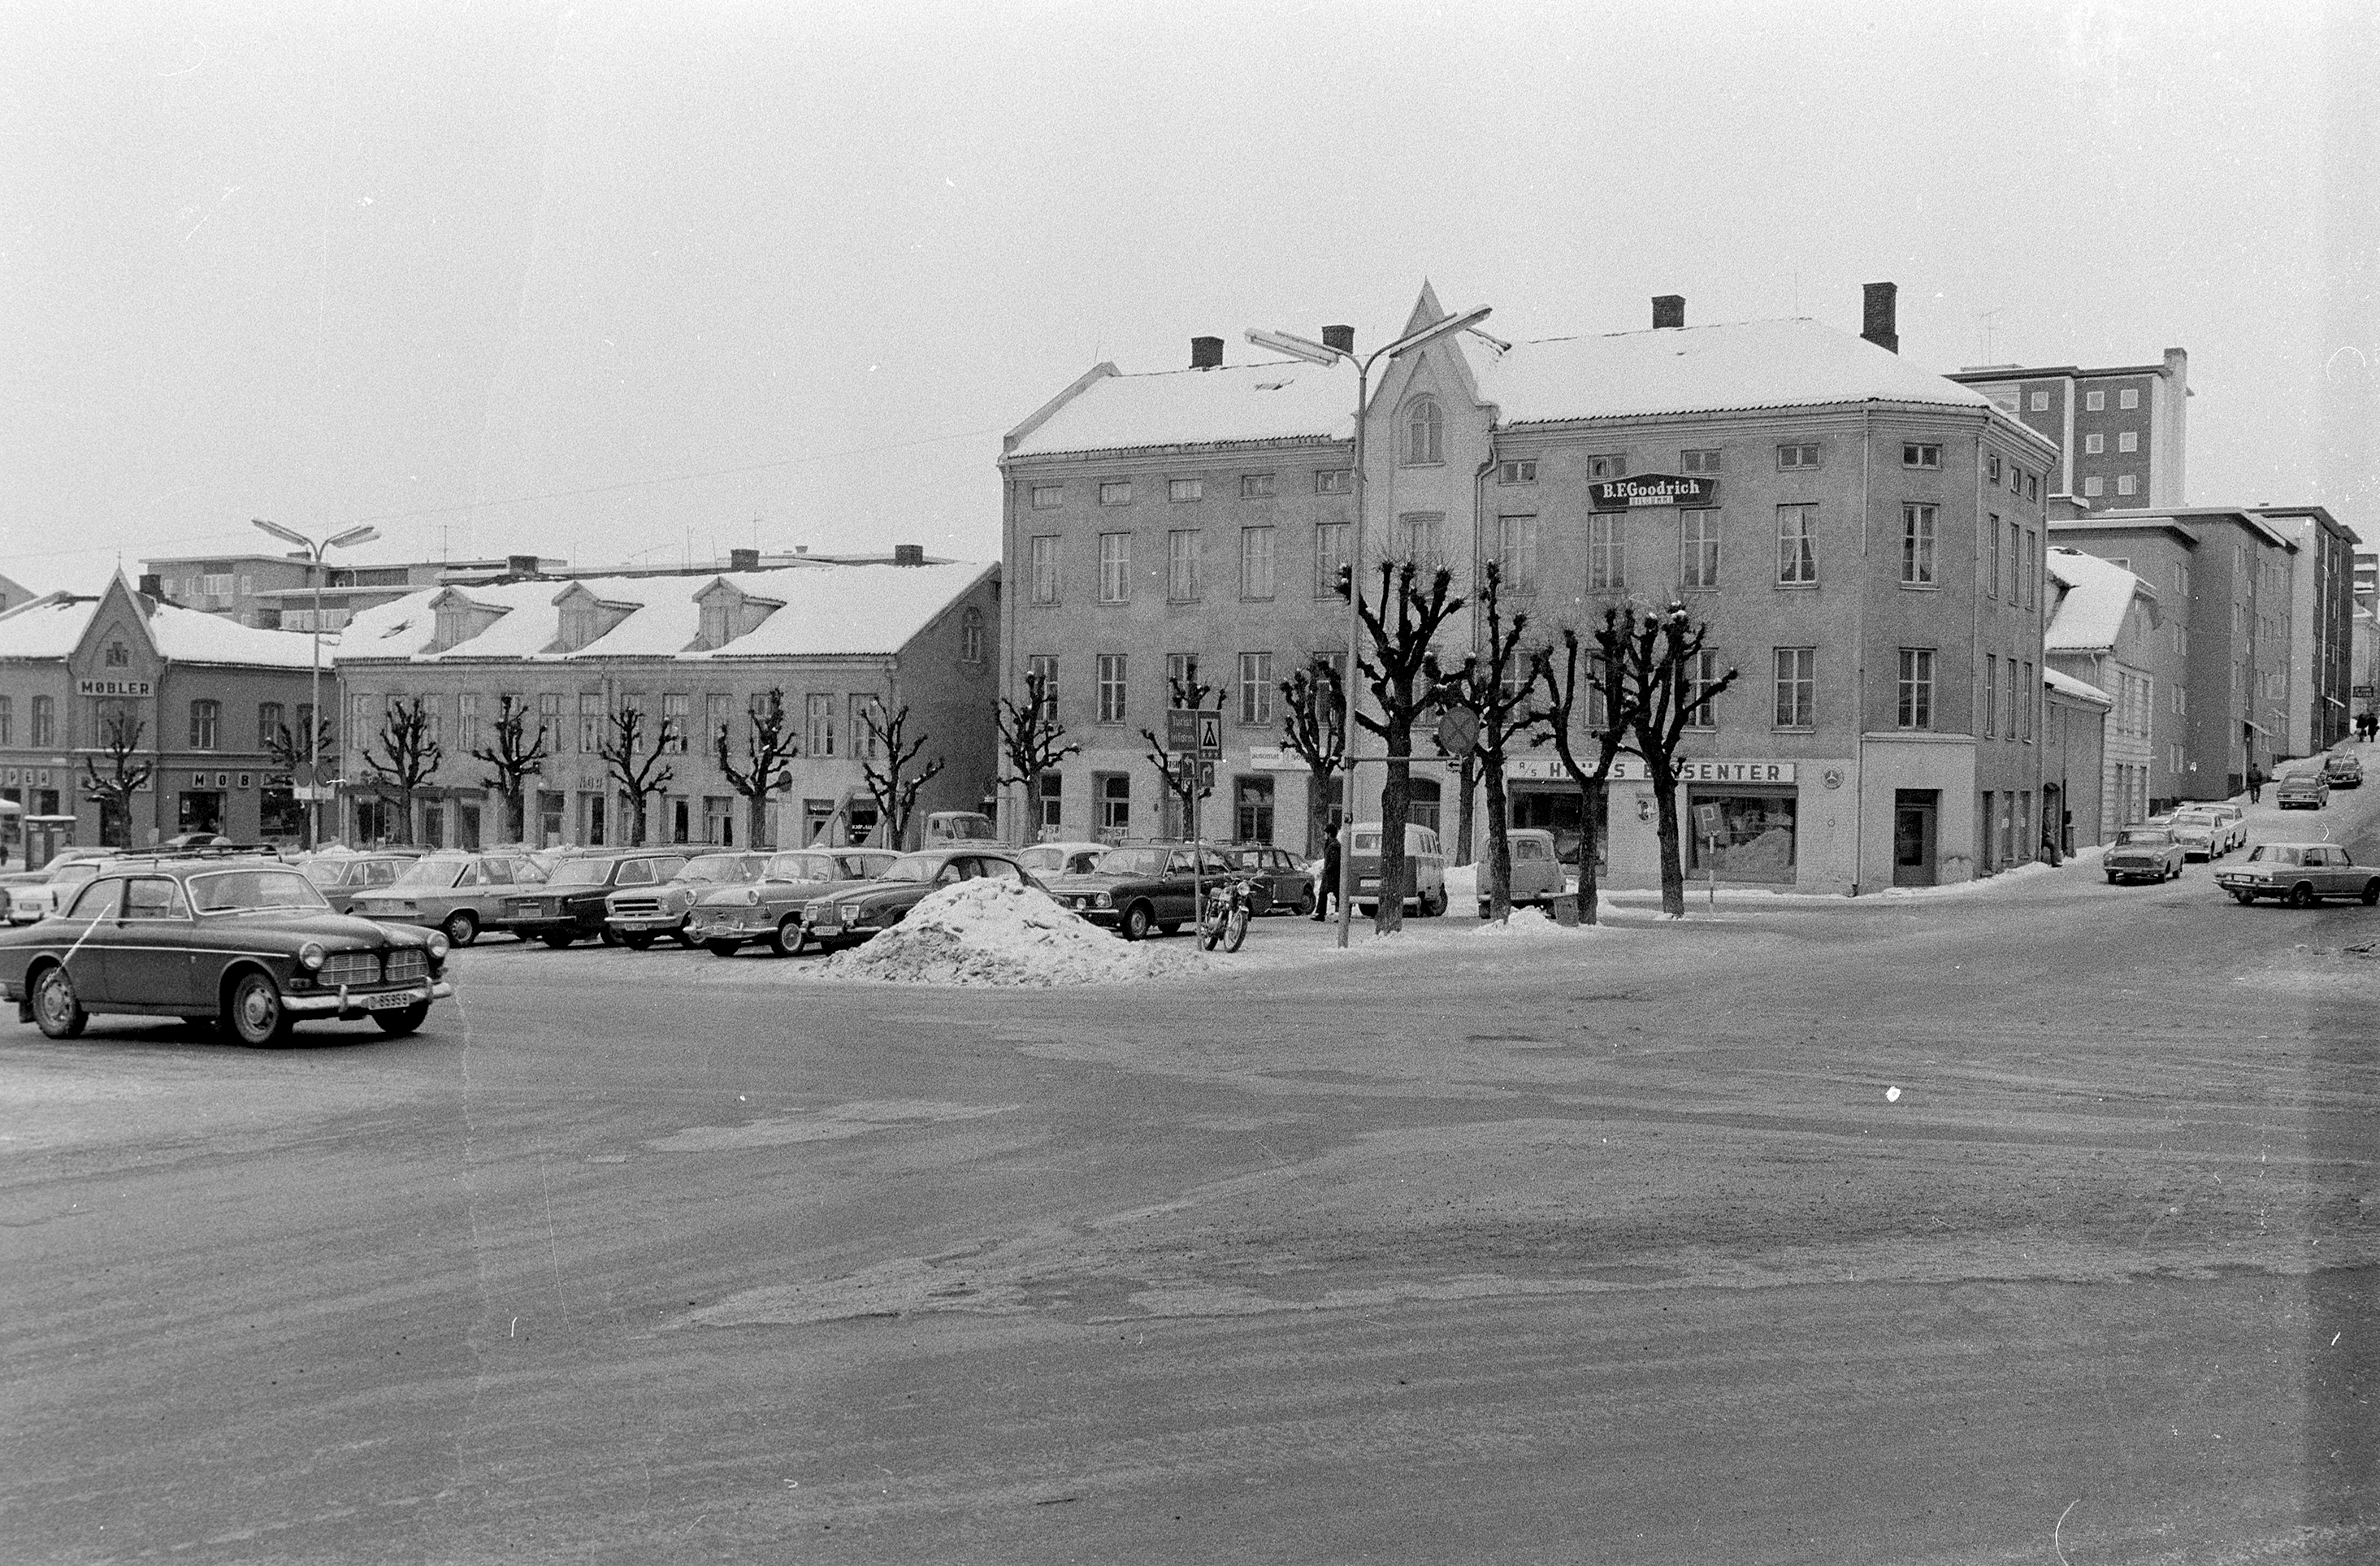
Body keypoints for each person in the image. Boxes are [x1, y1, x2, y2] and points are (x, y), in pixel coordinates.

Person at [1311, 827, 1342, 922]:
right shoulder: (1331, 845)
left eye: (1326, 834)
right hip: (1330, 874)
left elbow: (1334, 861)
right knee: (1323, 893)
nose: (1324, 836)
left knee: (1337, 894)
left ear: (1329, 834)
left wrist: (1327, 869)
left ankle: (1343, 915)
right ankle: (1321, 914)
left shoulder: (1333, 846)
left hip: (1332, 875)